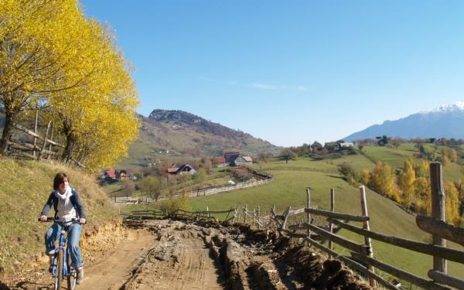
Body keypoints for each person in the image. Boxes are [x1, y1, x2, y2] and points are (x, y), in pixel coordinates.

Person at [39, 173, 86, 284]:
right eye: (62, 182)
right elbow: (48, 205)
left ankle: (79, 268)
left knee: (72, 245)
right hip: (60, 221)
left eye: (66, 181)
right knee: (49, 234)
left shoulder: (72, 193)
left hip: (74, 221)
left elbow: (80, 206)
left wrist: (82, 217)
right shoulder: (54, 194)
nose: (64, 183)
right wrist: (44, 214)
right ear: (57, 184)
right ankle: (52, 259)